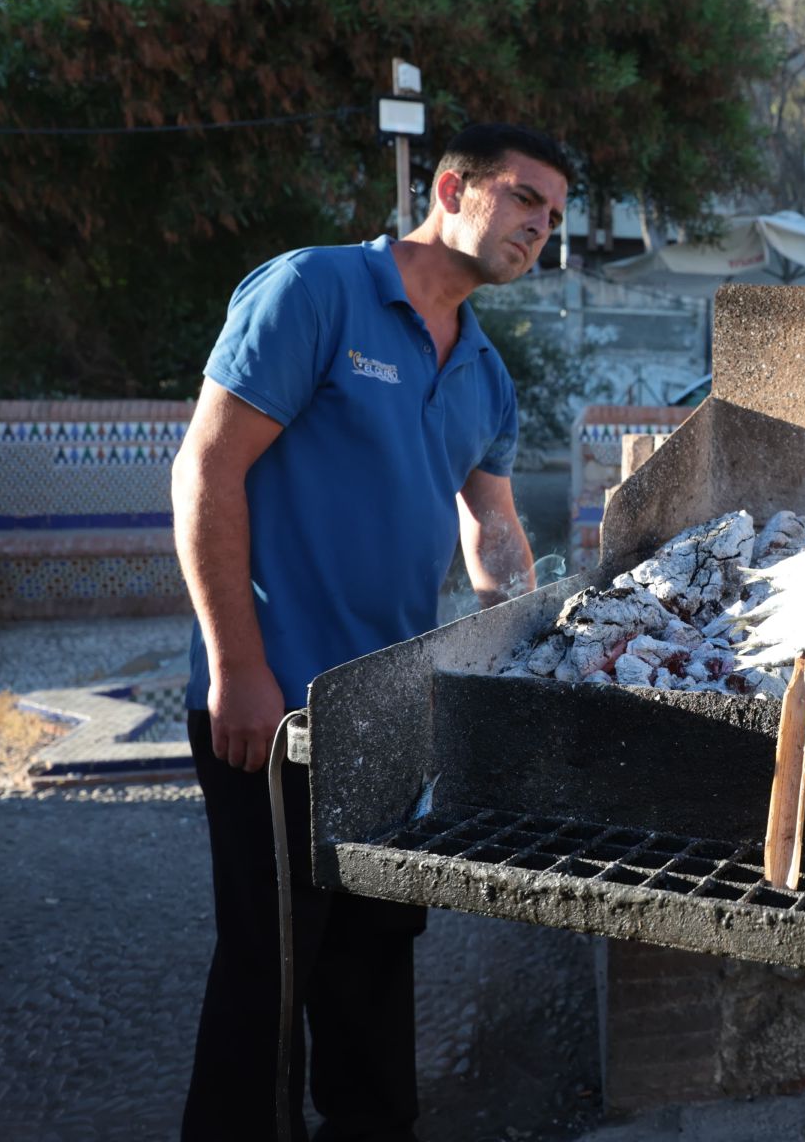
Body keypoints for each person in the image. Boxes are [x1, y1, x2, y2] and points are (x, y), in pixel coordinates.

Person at [172, 123, 568, 1140]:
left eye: (554, 216)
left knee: (377, 949)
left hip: (390, 706)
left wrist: (532, 633)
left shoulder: (485, 370)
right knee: (272, 960)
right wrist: (238, 665)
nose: (540, 226)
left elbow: (492, 525)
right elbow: (206, 470)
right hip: (275, 707)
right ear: (451, 186)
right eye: (525, 198)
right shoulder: (316, 291)